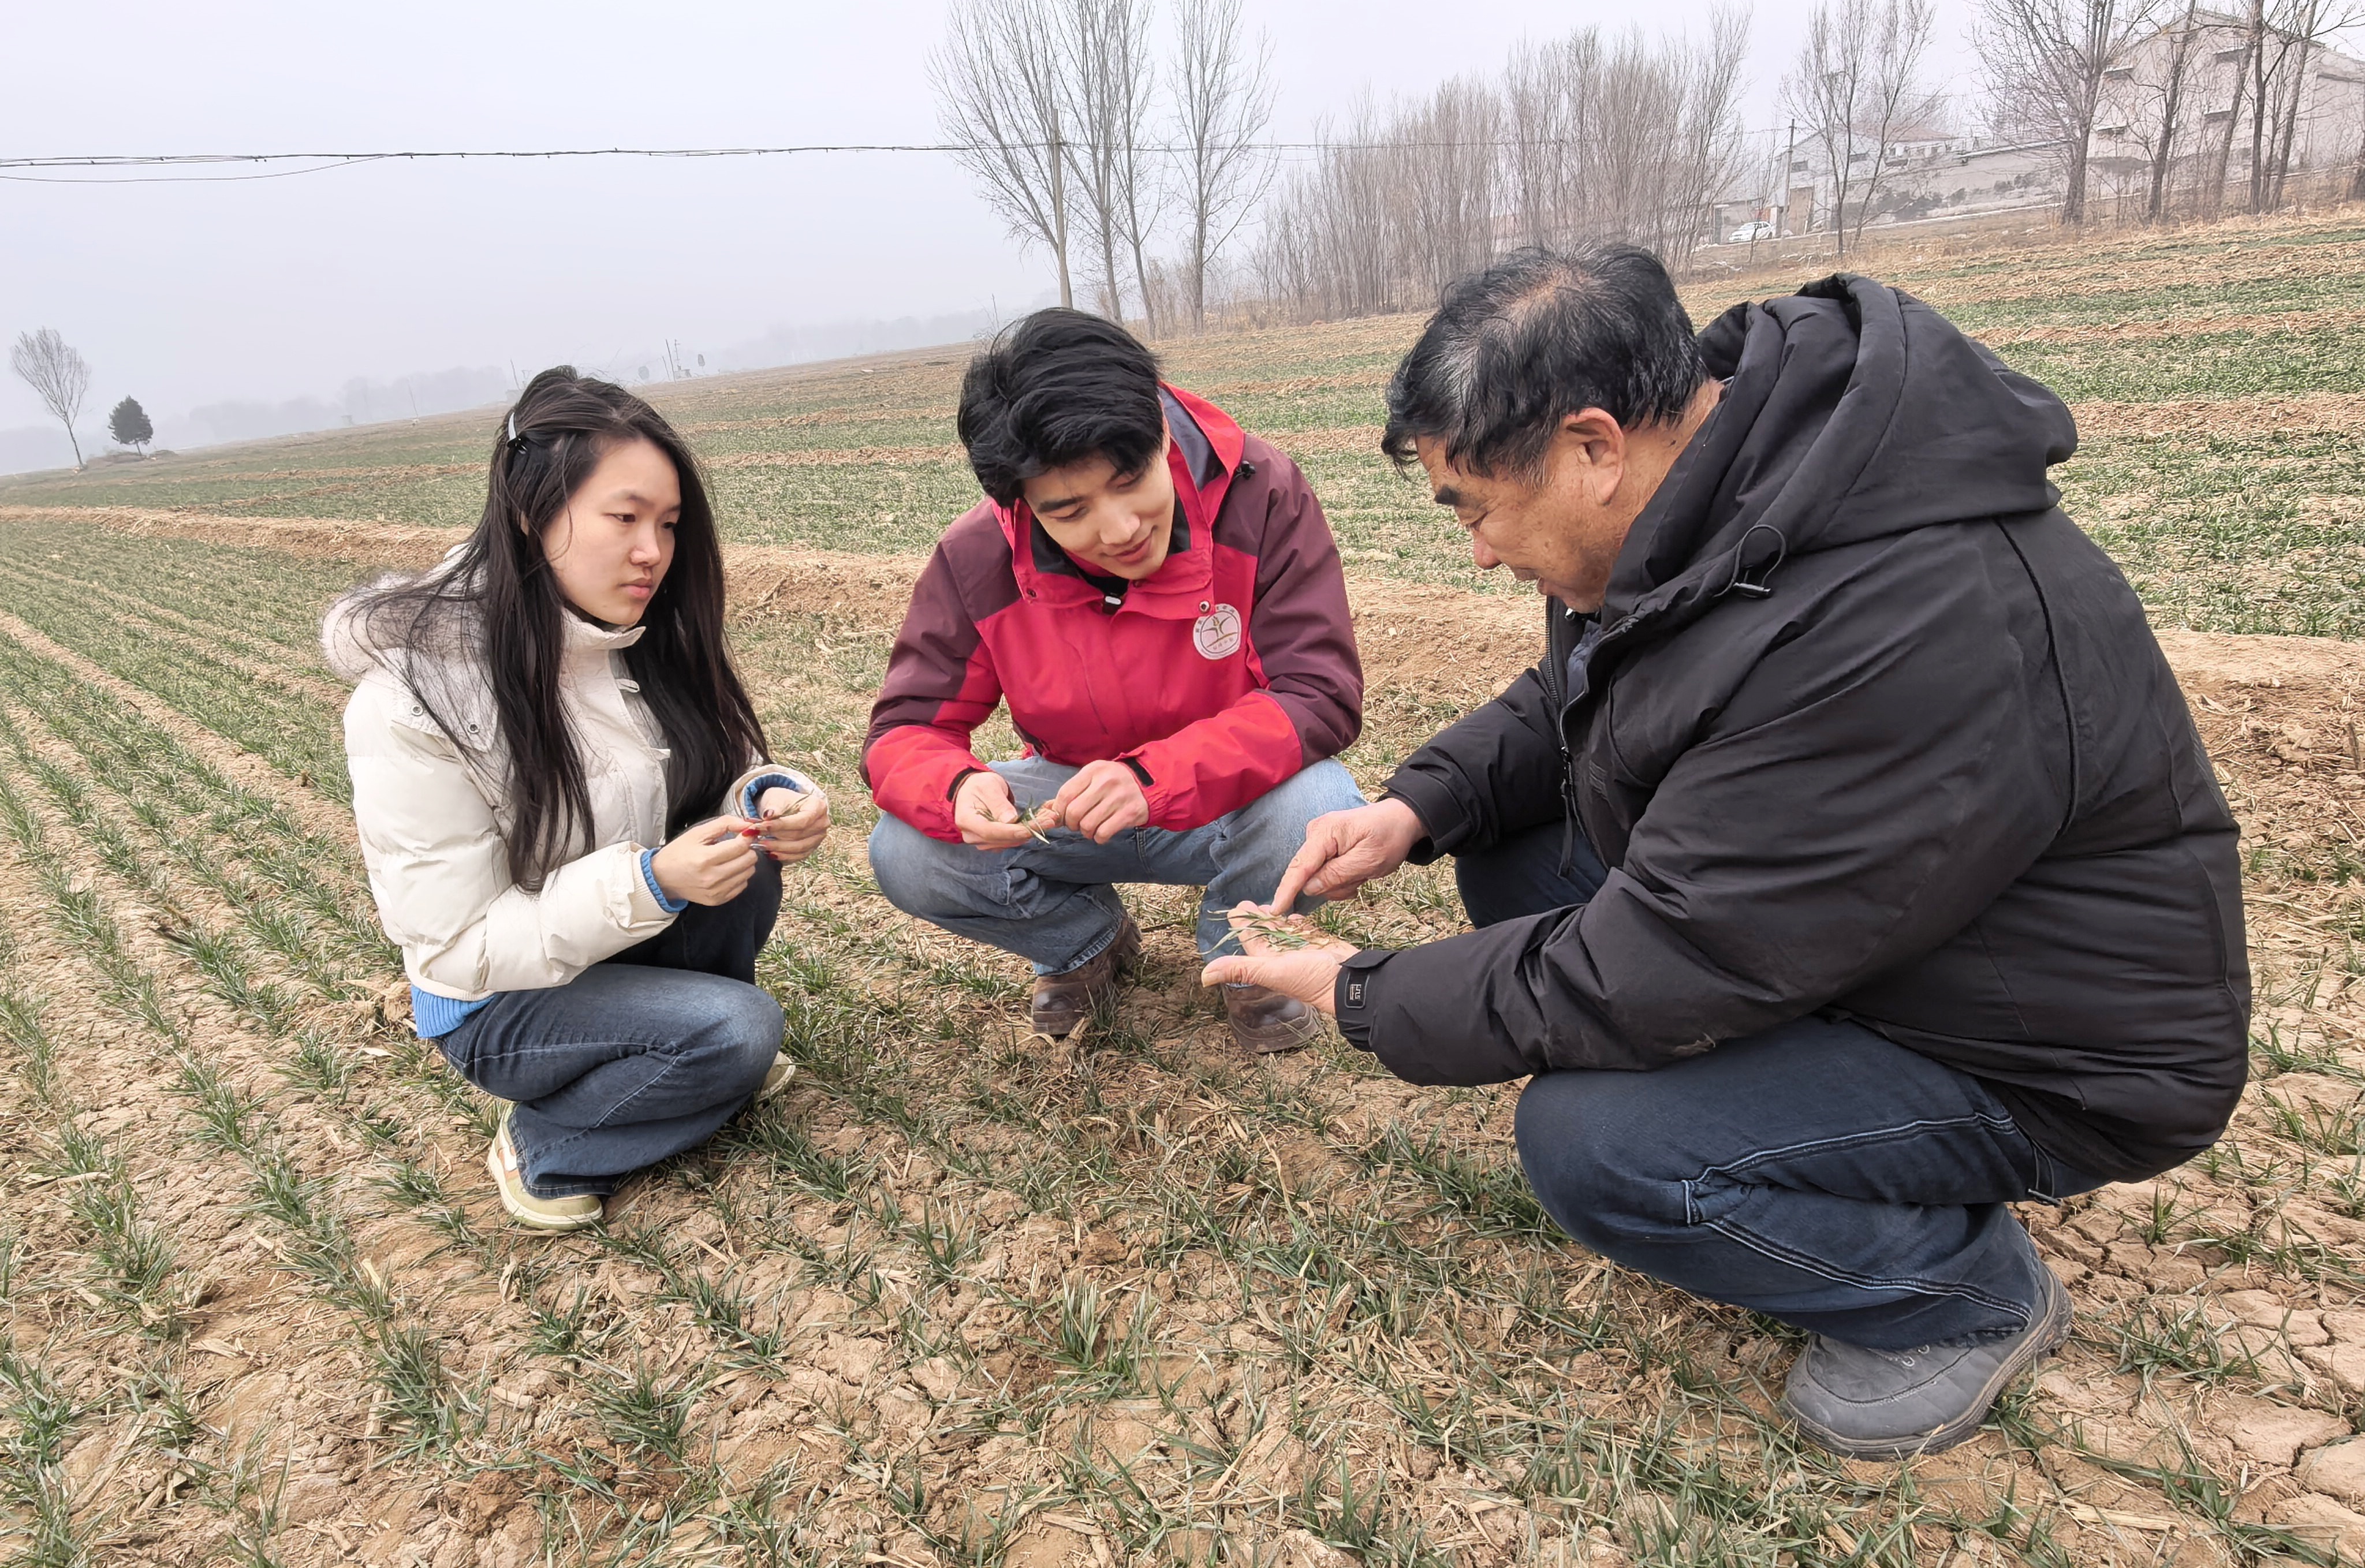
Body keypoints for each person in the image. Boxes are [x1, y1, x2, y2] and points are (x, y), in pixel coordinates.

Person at [1203, 247, 2249, 1458]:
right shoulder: (1719, 494)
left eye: (1476, 508)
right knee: (1512, 852)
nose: (1479, 552)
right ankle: (1788, 1113)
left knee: (1598, 1145)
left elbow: (1667, 957)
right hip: (1881, 941)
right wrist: (1416, 808)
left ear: (1592, 447)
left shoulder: (1900, 615)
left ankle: (1960, 1294)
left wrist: (1362, 990)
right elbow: (1579, 694)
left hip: (2046, 1051)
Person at [326, 369, 830, 1232]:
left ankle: (684, 1058)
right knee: (740, 1034)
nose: (653, 552)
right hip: (496, 1001)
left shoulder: (635, 635)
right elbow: (457, 946)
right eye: (625, 518)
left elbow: (720, 773)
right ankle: (547, 1145)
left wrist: (771, 797)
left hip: (613, 942)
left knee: (746, 861)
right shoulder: (415, 700)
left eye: (668, 524)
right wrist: (653, 883)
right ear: (531, 511)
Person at [864, 308, 1365, 1054]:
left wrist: (1153, 778)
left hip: (1228, 796)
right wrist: (956, 787)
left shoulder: (1260, 495)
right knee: (907, 850)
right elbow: (905, 729)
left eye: (1131, 481)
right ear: (1018, 505)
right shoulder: (976, 557)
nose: (1121, 528)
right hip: (1071, 805)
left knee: (1320, 804)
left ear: (1161, 428)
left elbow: (1318, 693)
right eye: (1070, 511)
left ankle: (1247, 955)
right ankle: (1083, 941)